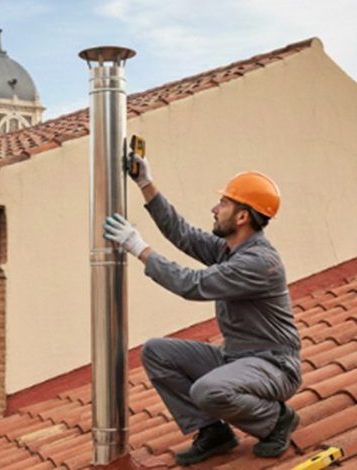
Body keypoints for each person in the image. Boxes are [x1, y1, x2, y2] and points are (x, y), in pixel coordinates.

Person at [103, 157, 302, 466]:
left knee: (208, 390)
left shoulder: (258, 263)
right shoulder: (230, 249)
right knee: (157, 352)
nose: (214, 208)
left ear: (241, 217)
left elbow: (191, 285)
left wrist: (139, 247)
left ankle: (276, 420)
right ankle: (214, 432)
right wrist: (146, 184)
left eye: (223, 203)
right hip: (236, 358)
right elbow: (183, 234)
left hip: (273, 365)